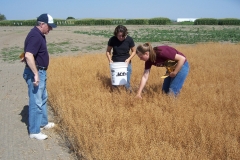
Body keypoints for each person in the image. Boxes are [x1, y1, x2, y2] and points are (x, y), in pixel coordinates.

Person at [22, 13, 57, 140]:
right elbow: (28, 55)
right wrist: (36, 74)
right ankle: (35, 131)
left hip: (40, 71)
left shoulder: (38, 34)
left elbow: (28, 53)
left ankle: (43, 122)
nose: (51, 29)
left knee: (42, 98)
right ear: (42, 24)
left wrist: (28, 58)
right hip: (36, 73)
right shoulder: (35, 35)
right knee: (36, 101)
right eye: (49, 26)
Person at [106, 25, 136, 91]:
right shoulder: (112, 39)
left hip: (126, 64)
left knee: (126, 84)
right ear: (116, 34)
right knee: (115, 85)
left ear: (125, 34)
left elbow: (134, 51)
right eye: (119, 35)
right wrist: (110, 60)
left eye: (123, 36)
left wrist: (128, 59)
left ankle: (128, 96)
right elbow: (108, 51)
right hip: (115, 64)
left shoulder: (129, 39)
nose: (121, 37)